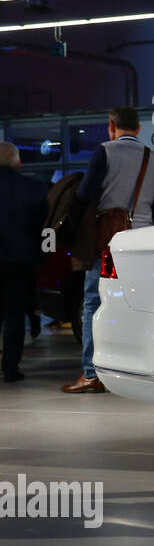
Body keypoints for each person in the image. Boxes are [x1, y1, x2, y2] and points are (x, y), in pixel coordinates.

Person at [62, 107, 154, 393]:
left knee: (94, 302)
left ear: (112, 126)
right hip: (143, 242)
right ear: (138, 128)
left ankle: (91, 374)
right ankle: (138, 370)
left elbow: (85, 194)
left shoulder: (104, 151)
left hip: (109, 240)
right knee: (142, 304)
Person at [0, 142, 49, 382]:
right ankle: (10, 368)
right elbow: (44, 232)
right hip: (19, 264)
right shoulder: (35, 190)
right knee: (15, 317)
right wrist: (41, 259)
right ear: (18, 163)